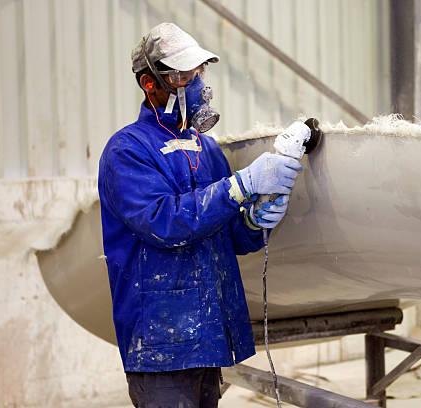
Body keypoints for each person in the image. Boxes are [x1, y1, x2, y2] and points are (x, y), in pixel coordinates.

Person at [98, 22, 303, 407]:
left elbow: (229, 237)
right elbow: (163, 224)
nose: (197, 83)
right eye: (183, 74)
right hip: (160, 344)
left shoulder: (206, 150)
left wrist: (255, 219)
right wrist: (239, 186)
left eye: (200, 71)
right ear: (150, 83)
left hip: (208, 337)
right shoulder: (126, 150)